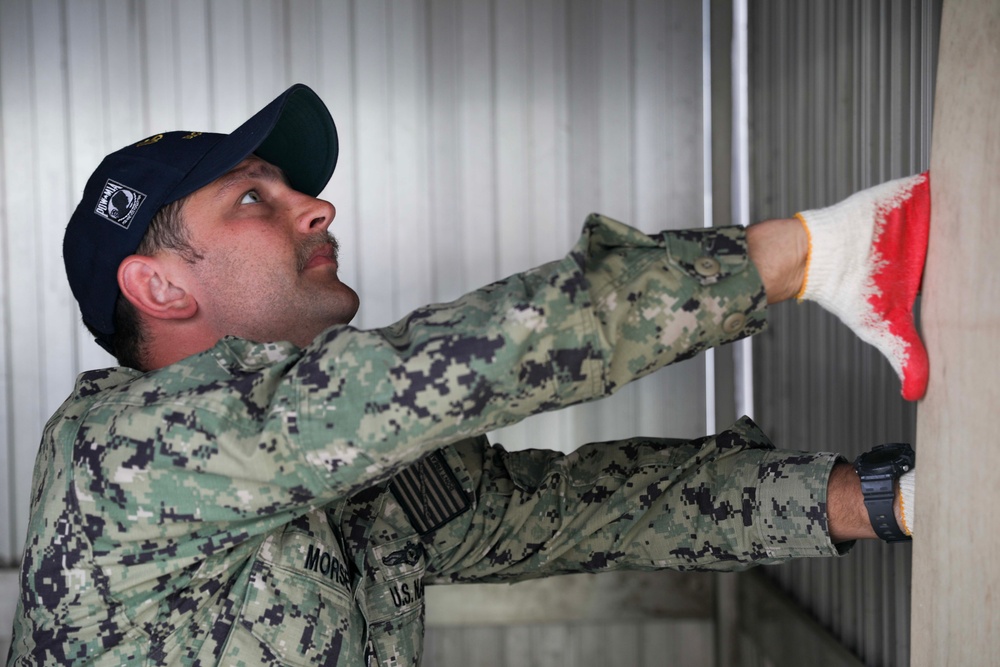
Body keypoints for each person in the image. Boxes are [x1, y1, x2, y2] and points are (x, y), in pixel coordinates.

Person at [7, 84, 927, 666]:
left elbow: (585, 511)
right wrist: (801, 257)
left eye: (294, 188)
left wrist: (878, 499)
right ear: (159, 285)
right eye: (256, 196)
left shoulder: (337, 478)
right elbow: (459, 362)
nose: (318, 207)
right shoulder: (119, 456)